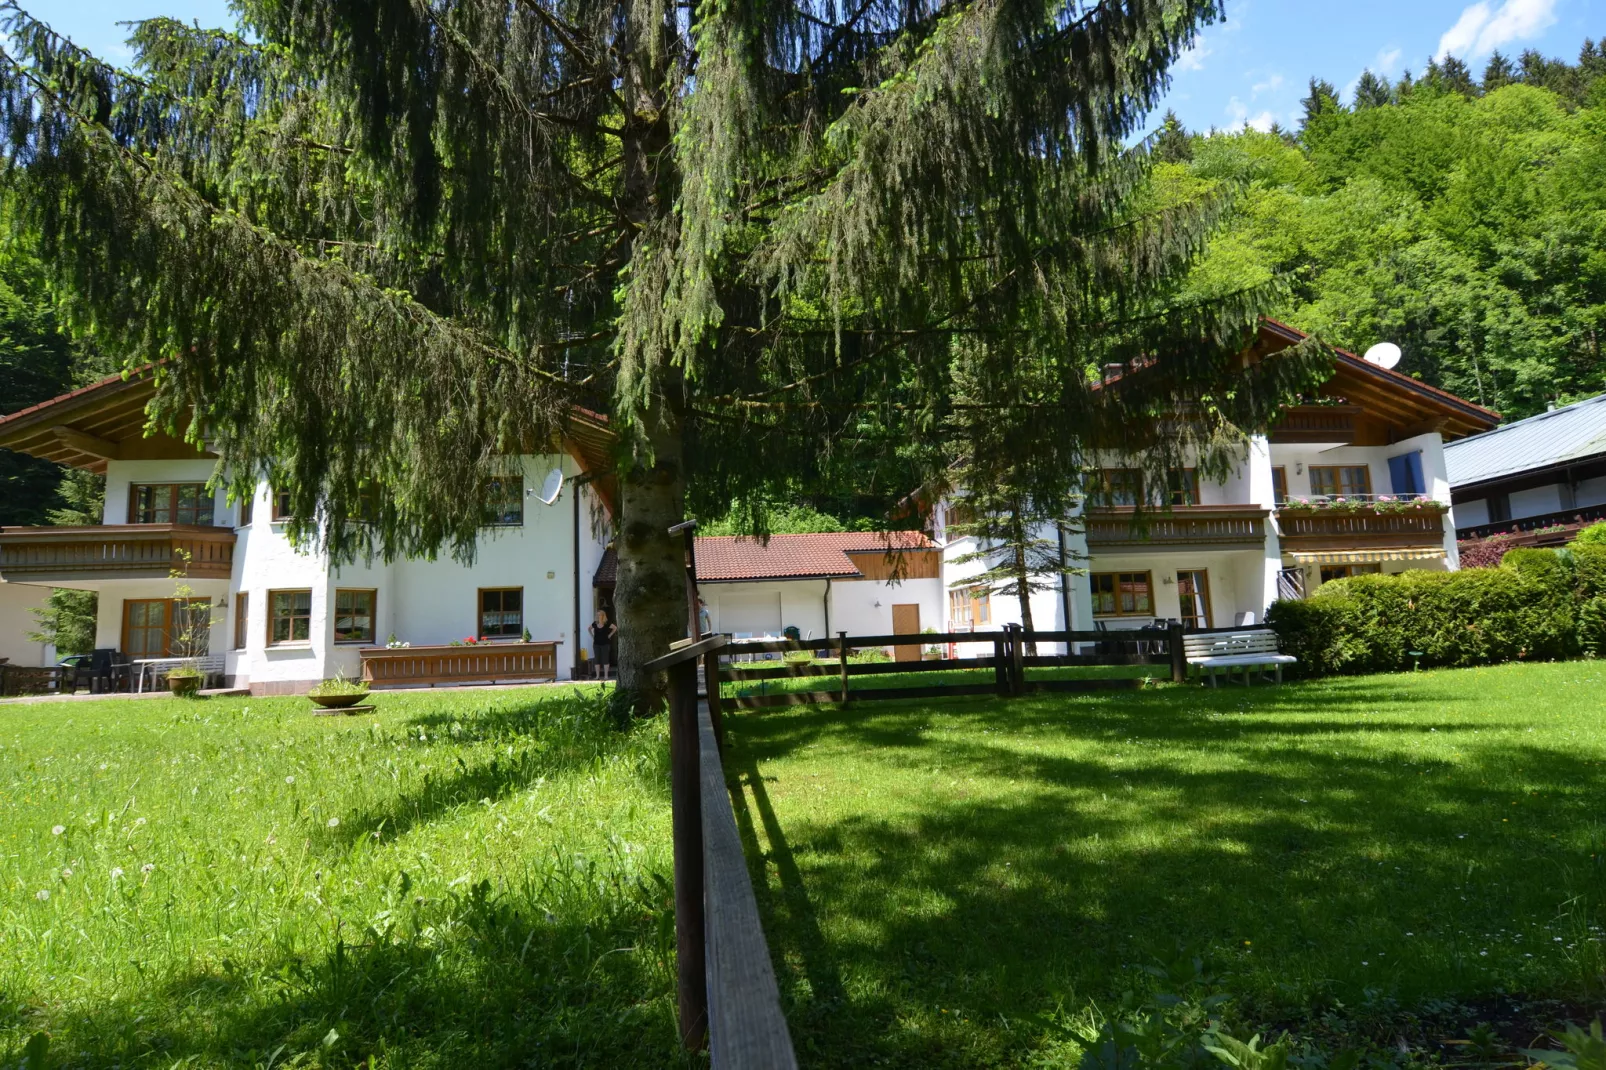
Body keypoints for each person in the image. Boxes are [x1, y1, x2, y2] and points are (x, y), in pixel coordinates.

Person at [589, 609, 617, 680]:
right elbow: (589, 629)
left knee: (605, 660)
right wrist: (592, 636)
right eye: (597, 615)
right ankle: (597, 676)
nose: (598, 616)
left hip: (605, 644)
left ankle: (606, 676)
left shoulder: (607, 623)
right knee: (597, 660)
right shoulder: (595, 623)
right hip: (596, 644)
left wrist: (610, 635)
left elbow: (615, 628)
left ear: (603, 615)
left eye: (600, 615)